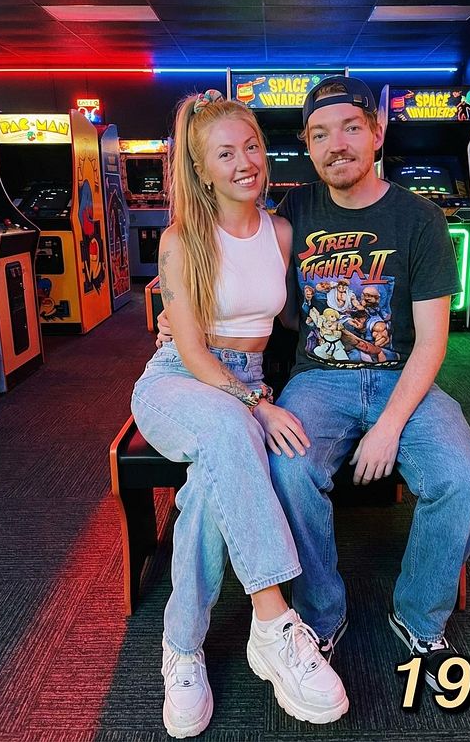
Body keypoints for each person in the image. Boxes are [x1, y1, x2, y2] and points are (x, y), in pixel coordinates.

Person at [157, 77, 470, 693]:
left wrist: (389, 426)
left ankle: (419, 613)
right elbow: (270, 300)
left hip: (402, 380)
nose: (335, 144)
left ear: (377, 131)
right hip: (318, 380)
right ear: (308, 148)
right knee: (287, 470)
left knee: (467, 481)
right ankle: (319, 614)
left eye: (348, 128)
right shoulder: (294, 213)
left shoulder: (421, 218)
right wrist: (184, 319)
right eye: (319, 134)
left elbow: (433, 341)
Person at [132, 90, 348, 738]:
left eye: (251, 146)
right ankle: (274, 619)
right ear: (202, 169)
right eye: (225, 153)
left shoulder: (281, 232)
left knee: (203, 494)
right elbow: (194, 352)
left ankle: (181, 648)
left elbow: (292, 317)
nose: (244, 162)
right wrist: (257, 404)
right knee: (232, 430)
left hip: (245, 378)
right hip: (180, 381)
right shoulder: (181, 239)